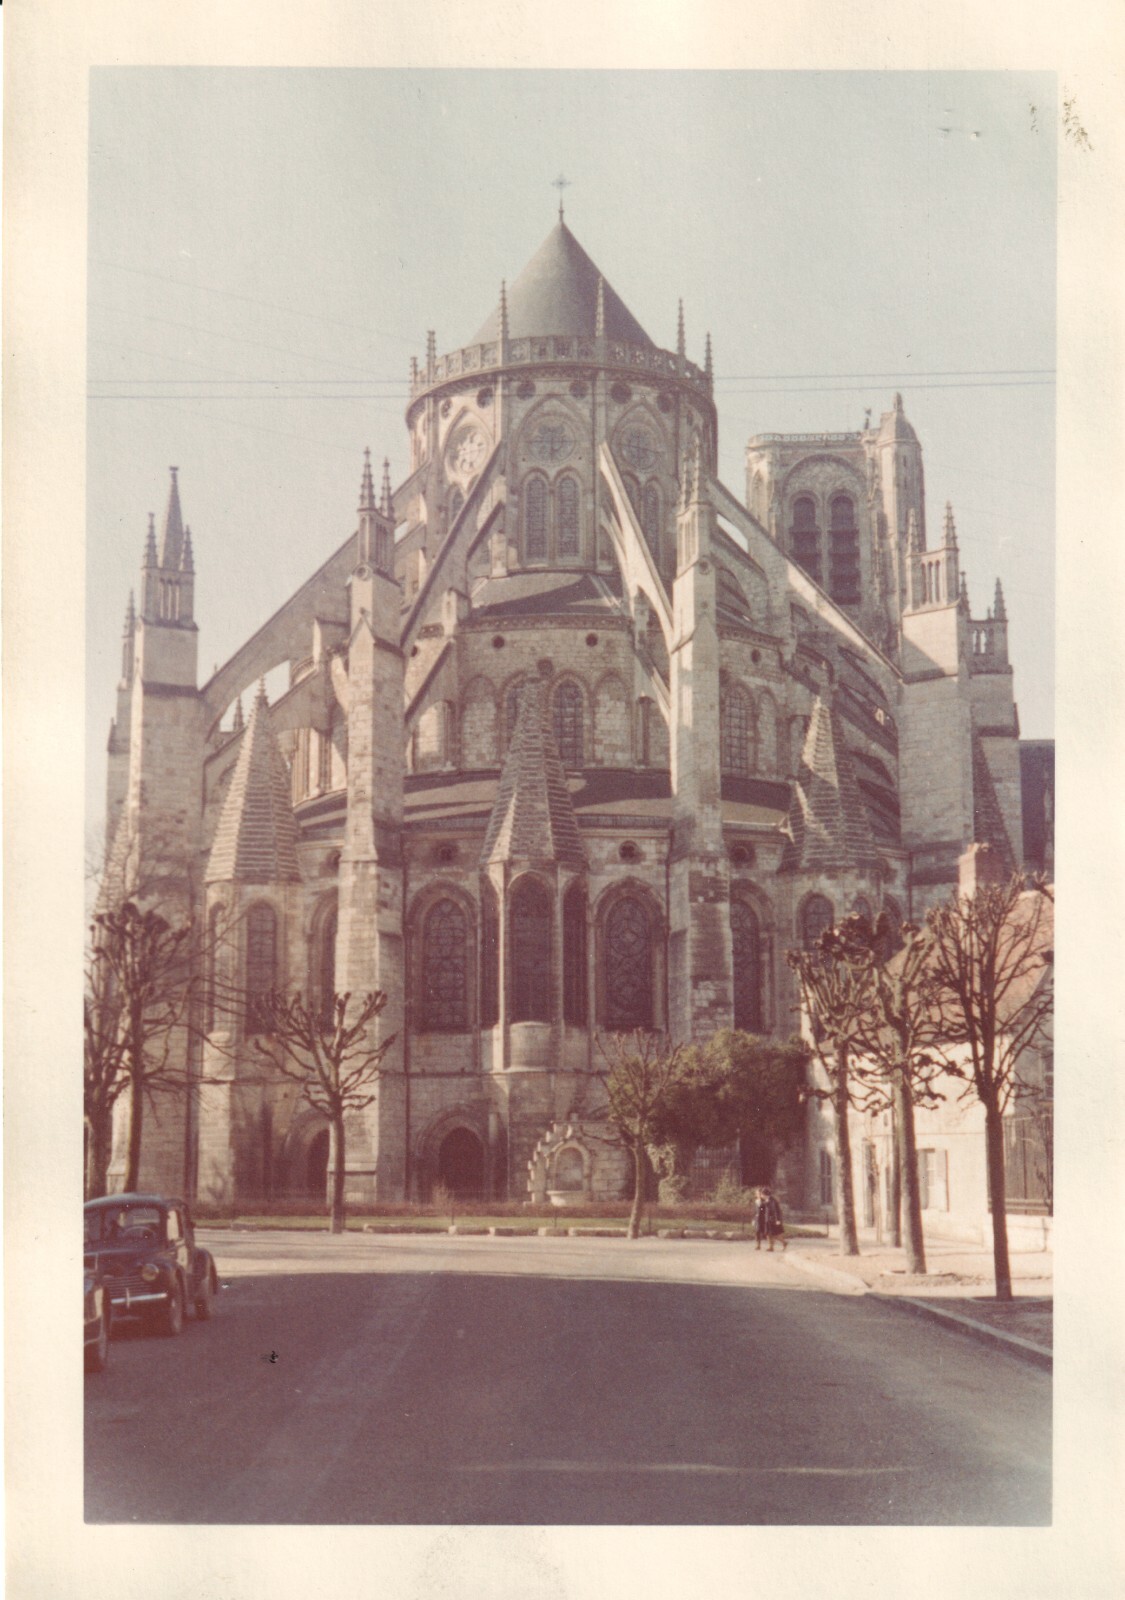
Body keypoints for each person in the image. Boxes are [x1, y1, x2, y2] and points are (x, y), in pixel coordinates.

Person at [754, 1185, 787, 1252]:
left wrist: (777, 1220)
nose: (761, 1195)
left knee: (774, 1234)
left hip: (773, 1220)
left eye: (762, 1194)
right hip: (767, 1220)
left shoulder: (772, 1201)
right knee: (769, 1234)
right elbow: (762, 1210)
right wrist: (760, 1205)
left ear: (765, 1194)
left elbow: (776, 1211)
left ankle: (783, 1243)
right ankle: (771, 1247)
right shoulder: (765, 1200)